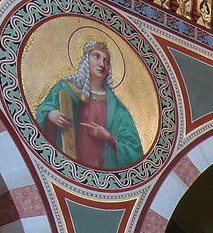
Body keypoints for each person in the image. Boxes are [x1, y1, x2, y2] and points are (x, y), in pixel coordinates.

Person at [37, 30, 145, 170]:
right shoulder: (65, 88)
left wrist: (108, 136)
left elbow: (134, 148)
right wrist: (51, 114)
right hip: (66, 167)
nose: (102, 64)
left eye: (106, 61)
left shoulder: (116, 108)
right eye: (96, 57)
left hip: (101, 173)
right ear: (86, 60)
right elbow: (42, 110)